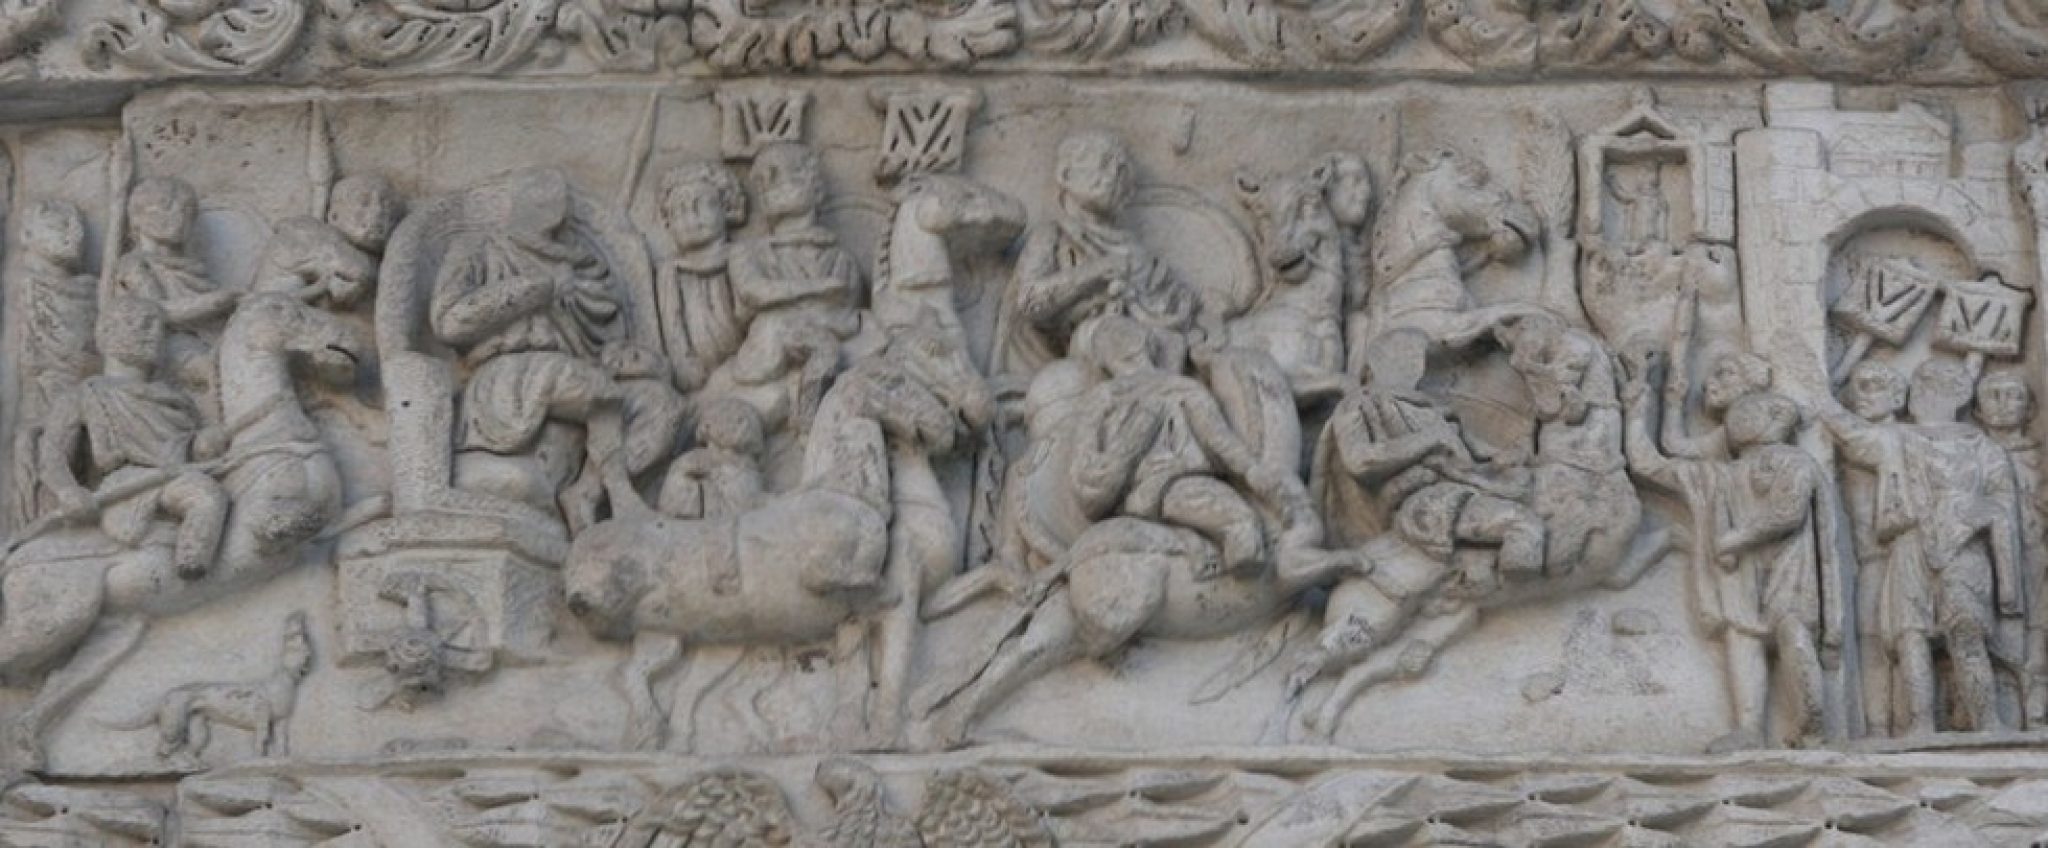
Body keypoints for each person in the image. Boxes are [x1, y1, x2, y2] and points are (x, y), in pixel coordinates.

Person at [1624, 357, 1846, 751]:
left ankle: (1812, 724)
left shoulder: (1794, 461)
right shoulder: (1716, 474)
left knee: (1793, 629)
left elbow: (1788, 513)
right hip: (1740, 575)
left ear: (1773, 418)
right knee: (1742, 639)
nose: (1735, 420)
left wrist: (1735, 539)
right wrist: (1636, 410)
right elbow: (1648, 464)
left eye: (1747, 413)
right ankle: (1749, 728)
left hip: (1789, 568)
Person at [1820, 358, 2023, 736]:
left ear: (1958, 396)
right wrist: (1819, 398)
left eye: (1929, 384)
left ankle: (1988, 721)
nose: (1919, 392)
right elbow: (1852, 437)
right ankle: (1920, 723)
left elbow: (2003, 503)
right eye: (1921, 383)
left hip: (1964, 547)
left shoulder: (1984, 448)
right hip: (1909, 544)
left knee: (1966, 628)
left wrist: (1976, 515)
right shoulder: (1896, 438)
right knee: (1910, 634)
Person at [430, 170, 626, 522]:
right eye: (537, 196)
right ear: (515, 203)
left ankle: (588, 496)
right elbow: (451, 321)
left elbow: (603, 331)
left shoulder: (579, 265)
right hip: (506, 376)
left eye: (555, 200)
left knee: (647, 402)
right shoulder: (480, 249)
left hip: (565, 387)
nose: (550, 205)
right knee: (604, 395)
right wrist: (537, 288)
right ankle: (620, 498)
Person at [37, 296, 229, 580]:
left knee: (207, 497)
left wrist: (206, 443)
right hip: (127, 485)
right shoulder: (85, 394)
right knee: (203, 495)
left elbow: (189, 447)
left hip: (176, 476)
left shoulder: (175, 398)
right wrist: (67, 491)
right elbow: (53, 454)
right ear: (107, 333)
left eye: (156, 326)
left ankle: (192, 565)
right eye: (138, 323)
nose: (151, 333)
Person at [1006, 131, 1204, 375]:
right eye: (1104, 164)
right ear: (1066, 175)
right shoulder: (1055, 235)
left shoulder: (1133, 247)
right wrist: (1094, 272)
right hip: (1092, 336)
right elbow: (1029, 301)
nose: (1115, 176)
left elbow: (1160, 299)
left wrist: (1181, 303)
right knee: (1117, 334)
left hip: (1146, 332)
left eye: (1122, 170)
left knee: (1171, 344)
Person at [110, 176, 237, 396]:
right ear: (138, 218)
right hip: (168, 346)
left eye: (187, 210)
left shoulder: (193, 268)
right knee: (221, 372)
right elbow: (158, 311)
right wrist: (218, 301)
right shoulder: (134, 264)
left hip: (204, 341)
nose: (179, 215)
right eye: (166, 206)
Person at [654, 161, 747, 380]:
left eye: (701, 205)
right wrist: (684, 365)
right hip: (700, 374)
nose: (690, 217)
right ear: (666, 222)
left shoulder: (741, 256)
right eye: (678, 211)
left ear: (727, 208)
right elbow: (673, 325)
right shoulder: (670, 271)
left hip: (746, 360)